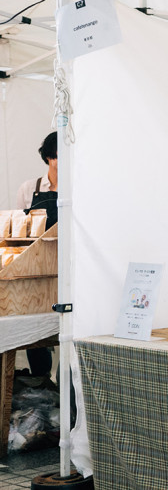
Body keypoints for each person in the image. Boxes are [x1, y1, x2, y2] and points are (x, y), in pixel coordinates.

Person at [16, 131, 58, 378]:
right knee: (35, 327)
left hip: (66, 267)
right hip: (37, 267)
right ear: (48, 158)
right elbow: (19, 232)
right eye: (55, 157)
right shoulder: (29, 188)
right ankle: (41, 382)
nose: (59, 162)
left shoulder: (79, 190)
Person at [17, 131, 58, 229]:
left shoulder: (75, 189)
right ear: (49, 156)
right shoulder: (27, 188)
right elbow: (19, 226)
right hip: (37, 244)